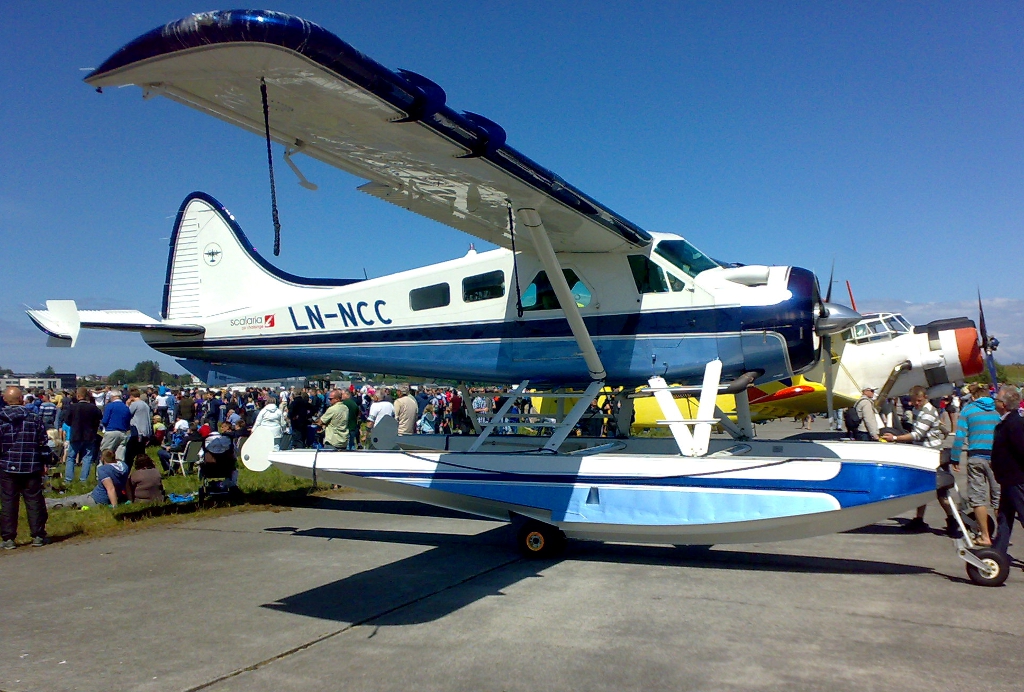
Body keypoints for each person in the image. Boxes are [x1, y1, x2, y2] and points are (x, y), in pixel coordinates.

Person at [882, 385, 947, 531]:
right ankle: (919, 519)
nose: (916, 403)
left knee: (941, 491)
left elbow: (917, 434)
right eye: (914, 401)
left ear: (925, 397)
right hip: (923, 452)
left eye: (919, 400)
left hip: (933, 454)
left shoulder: (928, 412)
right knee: (921, 488)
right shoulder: (918, 410)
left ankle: (952, 520)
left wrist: (895, 438)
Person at [949, 383, 1001, 545]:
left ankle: (985, 536)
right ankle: (1002, 536)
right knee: (998, 498)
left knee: (978, 498)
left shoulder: (968, 410)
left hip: (976, 456)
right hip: (996, 457)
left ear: (973, 397)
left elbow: (959, 436)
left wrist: (955, 458)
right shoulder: (997, 410)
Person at [0, 386, 50, 549]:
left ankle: (8, 538)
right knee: (34, 500)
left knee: (8, 502)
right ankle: (38, 535)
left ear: (5, 400)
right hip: (31, 464)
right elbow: (43, 442)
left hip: (7, 465)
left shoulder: (1, 418)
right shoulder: (33, 418)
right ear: (21, 399)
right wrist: (45, 462)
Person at [991, 385, 1024, 560]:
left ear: (1003, 404)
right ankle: (998, 552)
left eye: (996, 399)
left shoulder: (1015, 423)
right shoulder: (1007, 422)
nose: (994, 402)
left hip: (1016, 478)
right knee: (1004, 517)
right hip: (1007, 479)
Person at [64, 386, 102, 483]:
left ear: (78, 396)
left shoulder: (72, 407)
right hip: (89, 435)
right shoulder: (93, 408)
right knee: (87, 458)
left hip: (76, 434)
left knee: (71, 457)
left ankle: (68, 479)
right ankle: (83, 480)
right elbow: (99, 417)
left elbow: (67, 421)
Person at [99, 391, 132, 461]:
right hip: (123, 432)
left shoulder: (110, 406)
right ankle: (120, 467)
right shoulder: (126, 407)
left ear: (112, 397)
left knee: (105, 453)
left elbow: (104, 421)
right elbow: (128, 421)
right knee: (120, 456)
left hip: (111, 431)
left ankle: (104, 466)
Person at [125, 388, 153, 467]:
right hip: (144, 431)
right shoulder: (145, 404)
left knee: (129, 454)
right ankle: (144, 466)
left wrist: (127, 404)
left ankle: (126, 469)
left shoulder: (135, 404)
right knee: (141, 452)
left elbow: (127, 414)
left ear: (131, 396)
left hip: (137, 430)